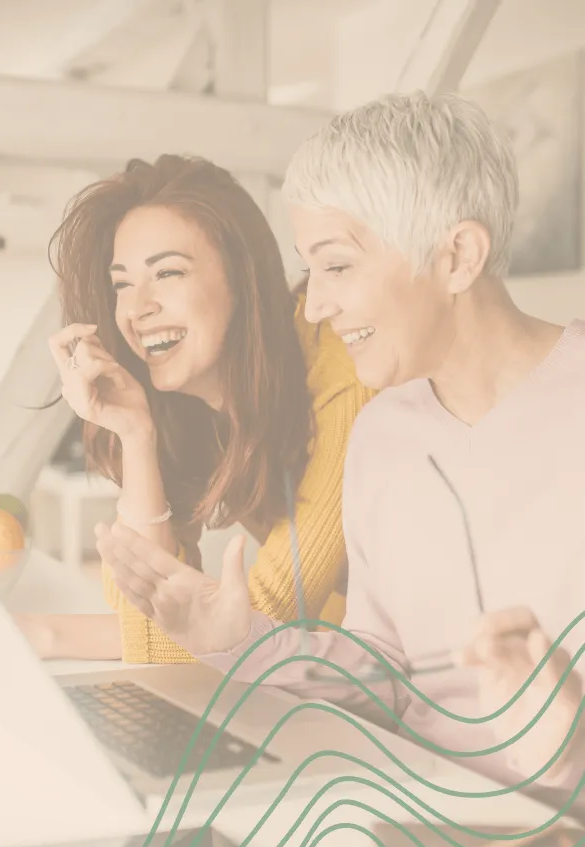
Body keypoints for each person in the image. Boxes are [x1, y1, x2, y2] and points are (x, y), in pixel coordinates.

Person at [98, 93, 585, 816]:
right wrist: (238, 640)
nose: (316, 305)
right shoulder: (383, 433)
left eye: (336, 267)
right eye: (309, 270)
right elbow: (384, 675)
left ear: (457, 257)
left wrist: (567, 743)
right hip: (412, 809)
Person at [21, 154, 376, 663]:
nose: (137, 308)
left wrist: (47, 634)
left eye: (167, 273)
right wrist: (136, 437)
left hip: (431, 706)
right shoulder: (193, 405)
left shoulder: (340, 369)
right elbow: (151, 629)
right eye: (122, 283)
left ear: (242, 279)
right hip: (324, 682)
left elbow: (245, 628)